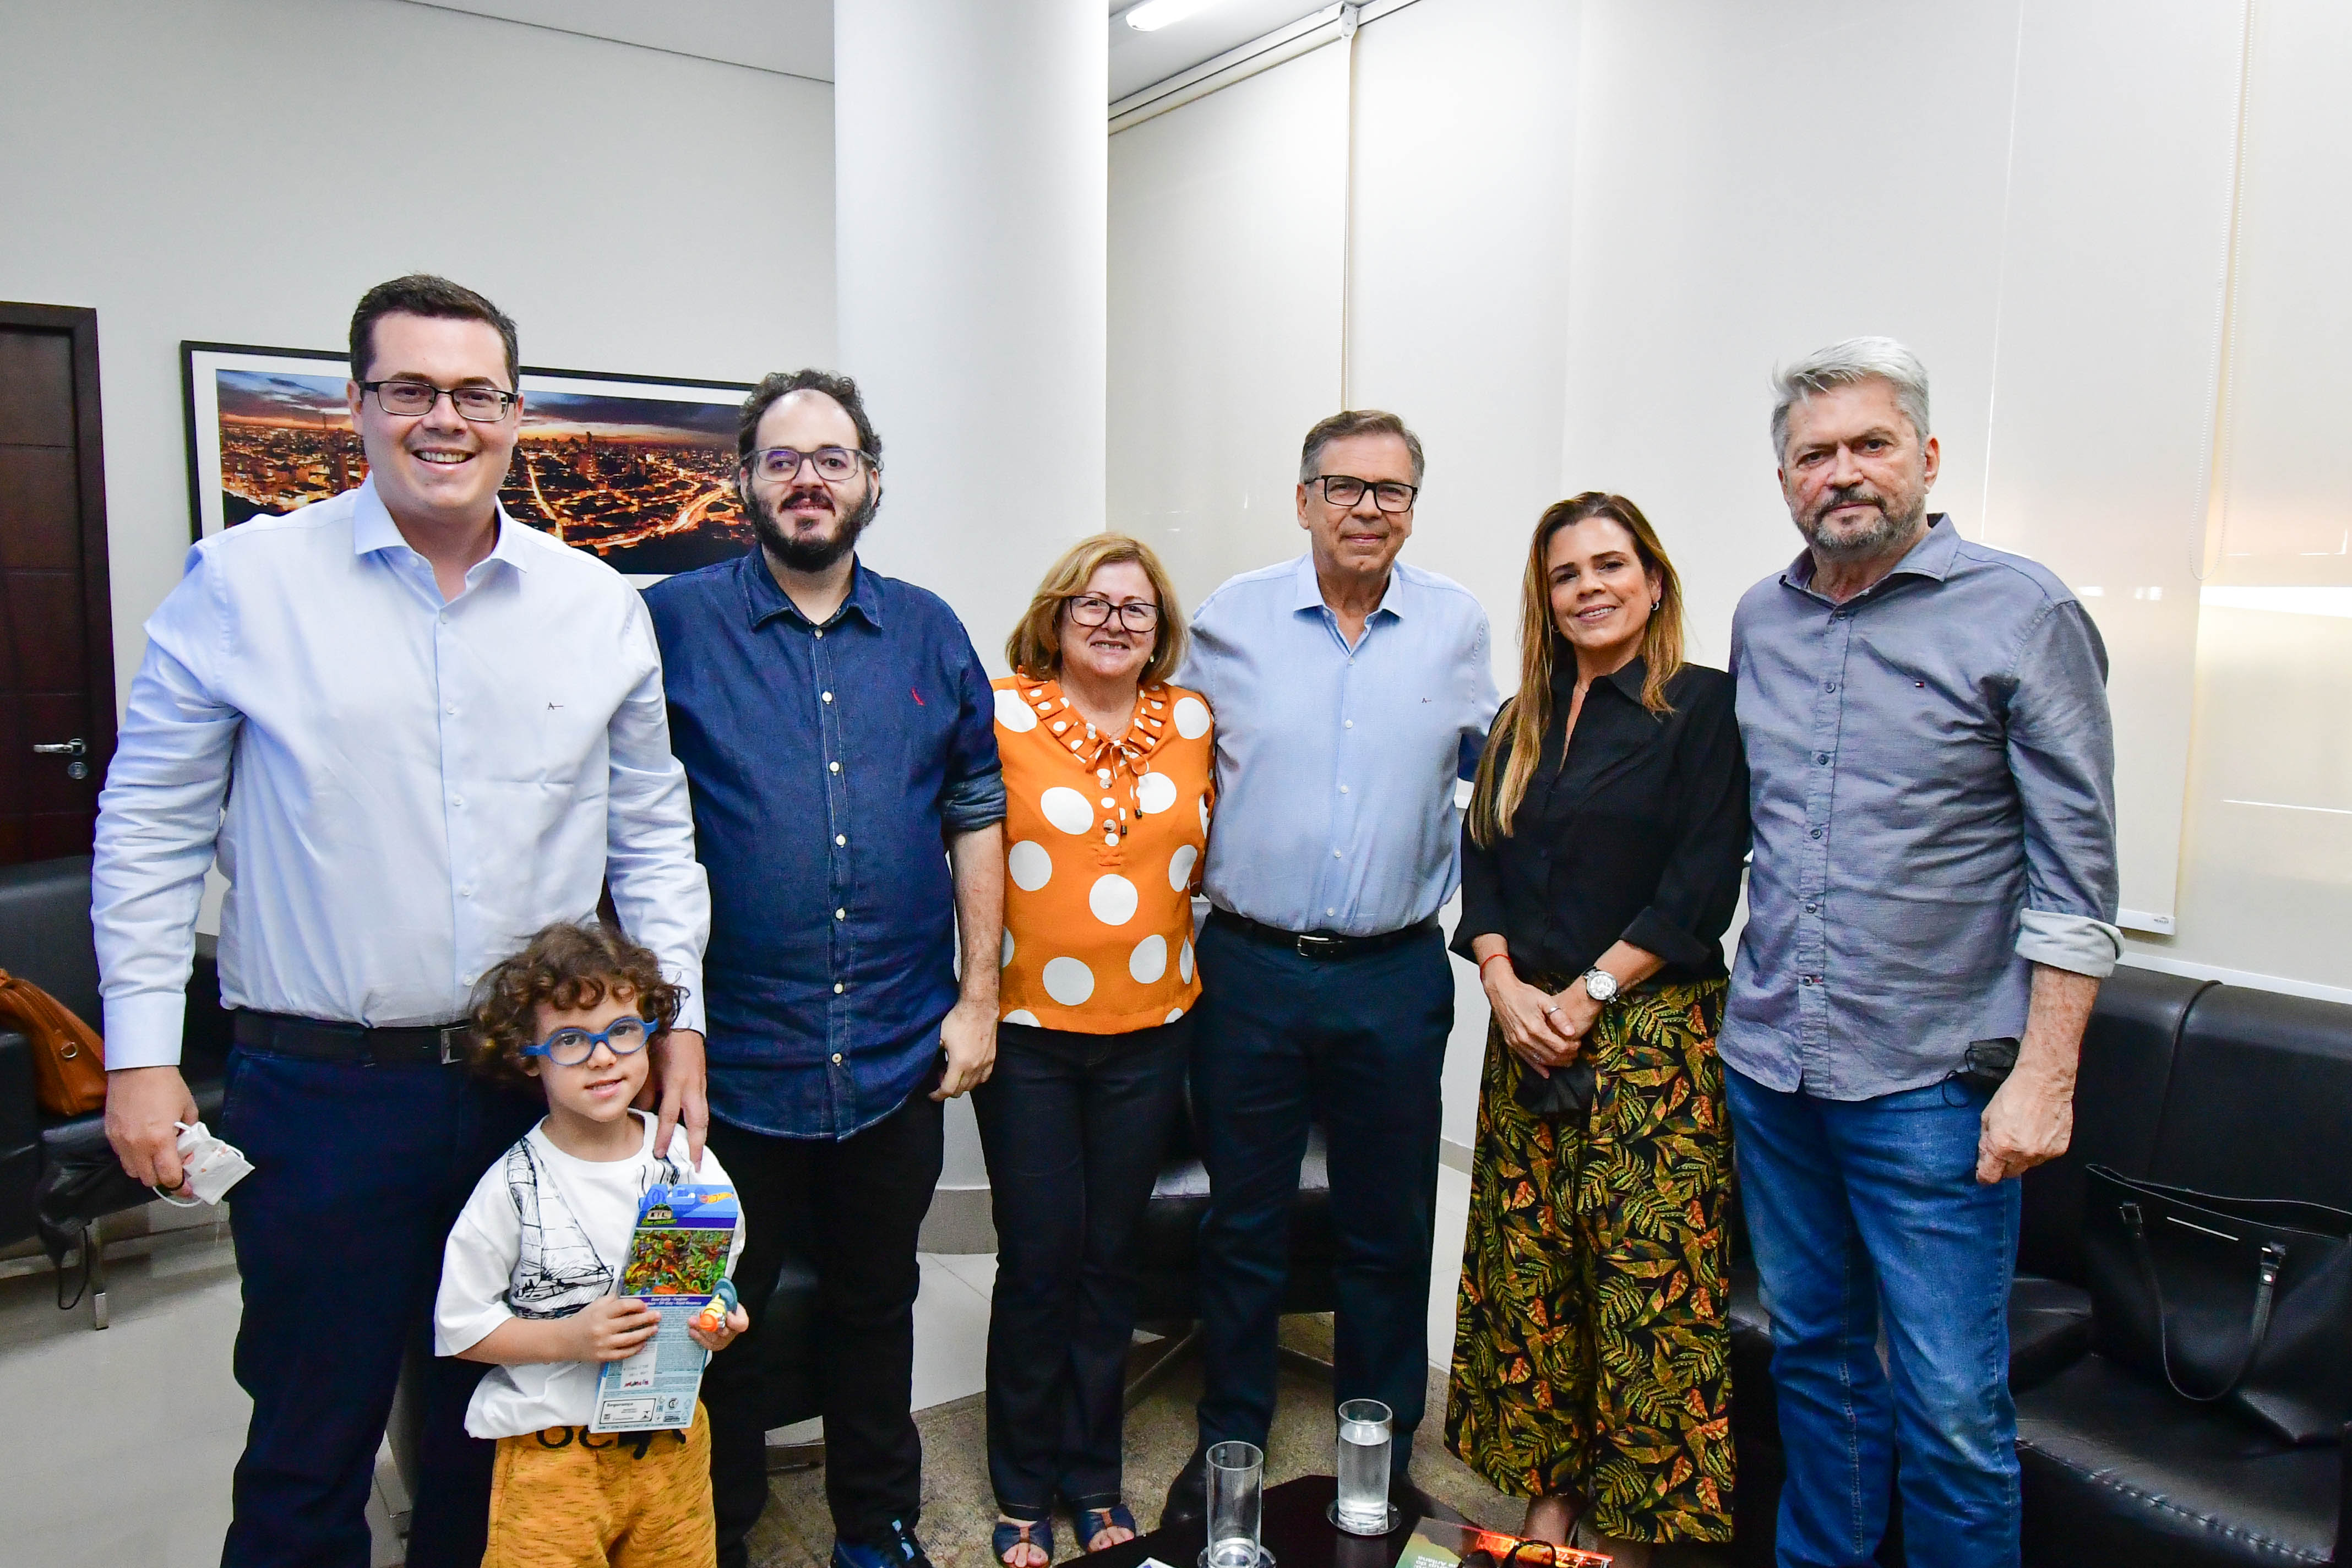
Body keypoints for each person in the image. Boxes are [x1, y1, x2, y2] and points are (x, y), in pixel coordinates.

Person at [92, 274, 712, 1568]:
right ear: (358, 404)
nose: (446, 418)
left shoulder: (594, 604)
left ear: (516, 412)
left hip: (532, 1089)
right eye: (412, 389)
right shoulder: (245, 584)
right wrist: (140, 1055)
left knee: (506, 1429)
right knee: (311, 1432)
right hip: (324, 1091)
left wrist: (680, 1023)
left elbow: (653, 832)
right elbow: (148, 827)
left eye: (476, 392)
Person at [1725, 337, 2120, 1568]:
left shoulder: (2024, 612)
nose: (1842, 472)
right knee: (1815, 1362)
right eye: (1814, 454)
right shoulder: (1761, 619)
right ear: (1783, 479)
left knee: (1950, 1406)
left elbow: (2076, 877)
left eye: (1871, 444)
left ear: (1929, 456)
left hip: (1933, 1086)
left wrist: (2045, 1073)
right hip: (1774, 1068)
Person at [643, 369, 1006, 1568]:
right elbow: (623, 824)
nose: (810, 479)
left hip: (893, 1057)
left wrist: (979, 998)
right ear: (744, 479)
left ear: (871, 481)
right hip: (711, 1069)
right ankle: (708, 1532)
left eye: (833, 458)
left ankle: (877, 1523)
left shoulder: (930, 628)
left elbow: (976, 810)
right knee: (690, 1313)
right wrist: (649, 1025)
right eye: (784, 458)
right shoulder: (669, 621)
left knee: (875, 1302)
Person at [1164, 409, 1500, 1523]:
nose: (1367, 508)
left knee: (1388, 1223)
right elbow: (1170, 765)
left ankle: (1380, 1444)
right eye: (1344, 486)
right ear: (1304, 498)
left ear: (1412, 506)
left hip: (1393, 973)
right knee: (1243, 1221)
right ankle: (1230, 1436)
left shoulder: (1455, 625)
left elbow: (1495, 780)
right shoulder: (1231, 618)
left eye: (1390, 490)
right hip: (1249, 968)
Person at [1445, 493, 1750, 1567]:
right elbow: (1479, 858)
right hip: (1526, 1032)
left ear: (1653, 581)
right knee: (1532, 1276)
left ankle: (1630, 1527)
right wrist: (1501, 983)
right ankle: (1550, 1502)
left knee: (1643, 1288)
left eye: (1610, 564)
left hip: (1649, 1041)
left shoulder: (1703, 706)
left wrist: (1588, 994)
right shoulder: (1521, 717)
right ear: (1547, 596)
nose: (1590, 587)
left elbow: (1700, 880)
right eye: (1566, 573)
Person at [979, 535, 1212, 1567]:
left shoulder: (1192, 720)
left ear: (1160, 629)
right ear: (1055, 615)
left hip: (1151, 1034)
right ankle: (1022, 1481)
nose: (1115, 622)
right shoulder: (1000, 711)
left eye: (1136, 608)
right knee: (1039, 1260)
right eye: (1093, 604)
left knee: (1111, 1260)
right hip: (1027, 1034)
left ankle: (1093, 1475)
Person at [437, 922, 750, 1568]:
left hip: (672, 1446)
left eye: (623, 1030)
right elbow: (462, 1328)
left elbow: (720, 1277)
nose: (604, 1057)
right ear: (530, 1056)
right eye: (572, 1040)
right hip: (553, 1462)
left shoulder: (685, 1160)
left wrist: (721, 1319)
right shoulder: (511, 1187)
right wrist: (570, 1339)